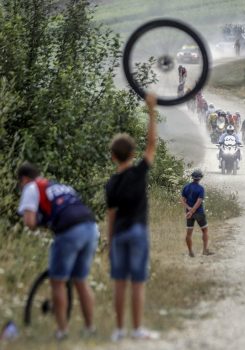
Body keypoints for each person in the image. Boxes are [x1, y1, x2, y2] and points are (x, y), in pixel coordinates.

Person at [17, 162, 98, 340]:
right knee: (81, 280)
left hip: (70, 230)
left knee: (57, 281)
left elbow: (29, 222)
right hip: (91, 227)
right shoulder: (58, 185)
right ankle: (90, 328)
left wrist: (43, 223)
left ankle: (62, 331)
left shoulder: (31, 187)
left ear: (24, 179)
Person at [105, 93, 159, 341]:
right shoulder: (139, 172)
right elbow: (152, 144)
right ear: (132, 153)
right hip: (138, 231)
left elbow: (111, 216)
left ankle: (117, 330)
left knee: (119, 283)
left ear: (113, 156)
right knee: (137, 282)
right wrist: (151, 110)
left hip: (120, 234)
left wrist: (109, 240)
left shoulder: (112, 183)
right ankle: (137, 329)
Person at [181, 170, 212, 257]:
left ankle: (190, 252)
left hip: (188, 213)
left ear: (192, 177)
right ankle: (205, 250)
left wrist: (189, 209)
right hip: (199, 213)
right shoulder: (201, 189)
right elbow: (199, 202)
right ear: (200, 178)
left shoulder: (186, 187)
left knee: (189, 233)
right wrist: (192, 211)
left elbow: (182, 200)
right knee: (205, 230)